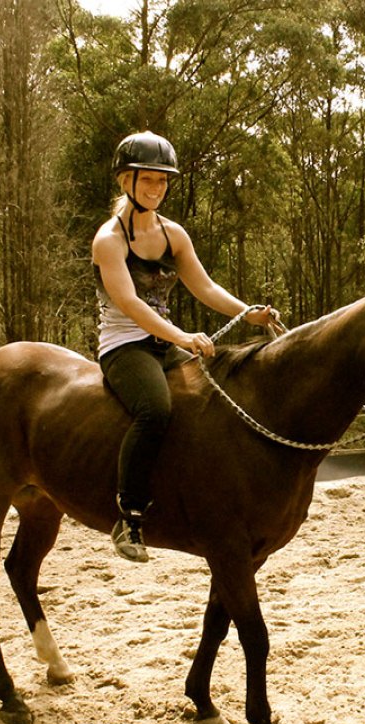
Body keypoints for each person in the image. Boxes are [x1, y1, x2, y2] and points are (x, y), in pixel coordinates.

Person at [93, 131, 278, 562]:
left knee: (211, 400)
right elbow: (131, 304)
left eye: (163, 181)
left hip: (164, 342)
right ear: (126, 181)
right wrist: (181, 336)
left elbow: (204, 286)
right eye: (148, 180)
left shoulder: (172, 234)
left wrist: (247, 311)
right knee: (155, 409)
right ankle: (129, 516)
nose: (157, 189)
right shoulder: (109, 240)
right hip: (125, 346)